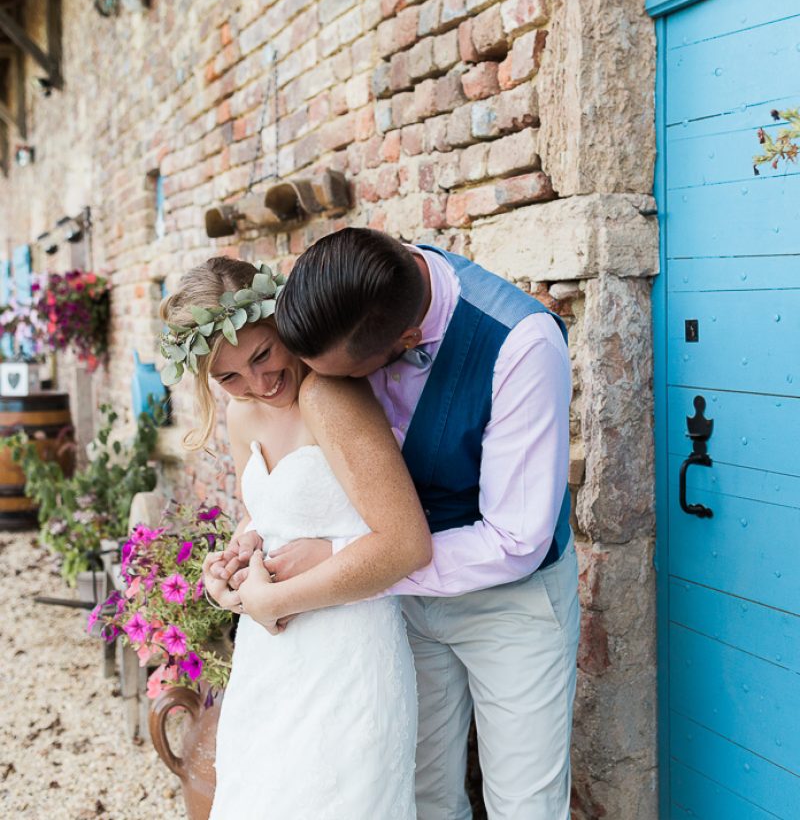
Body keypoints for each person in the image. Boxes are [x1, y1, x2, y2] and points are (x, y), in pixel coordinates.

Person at [222, 228, 580, 820]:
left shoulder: (523, 345)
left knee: (526, 805)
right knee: (422, 797)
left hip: (509, 600)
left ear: (408, 340)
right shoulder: (353, 287)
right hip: (388, 606)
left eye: (334, 380)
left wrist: (343, 555)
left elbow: (516, 540)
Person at [159, 256, 431, 820]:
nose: (258, 384)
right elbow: (263, 515)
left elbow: (404, 541)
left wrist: (310, 567)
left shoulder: (330, 398)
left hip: (347, 647)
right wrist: (231, 564)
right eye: (229, 377)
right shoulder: (242, 417)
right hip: (271, 655)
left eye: (263, 355)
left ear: (280, 324)